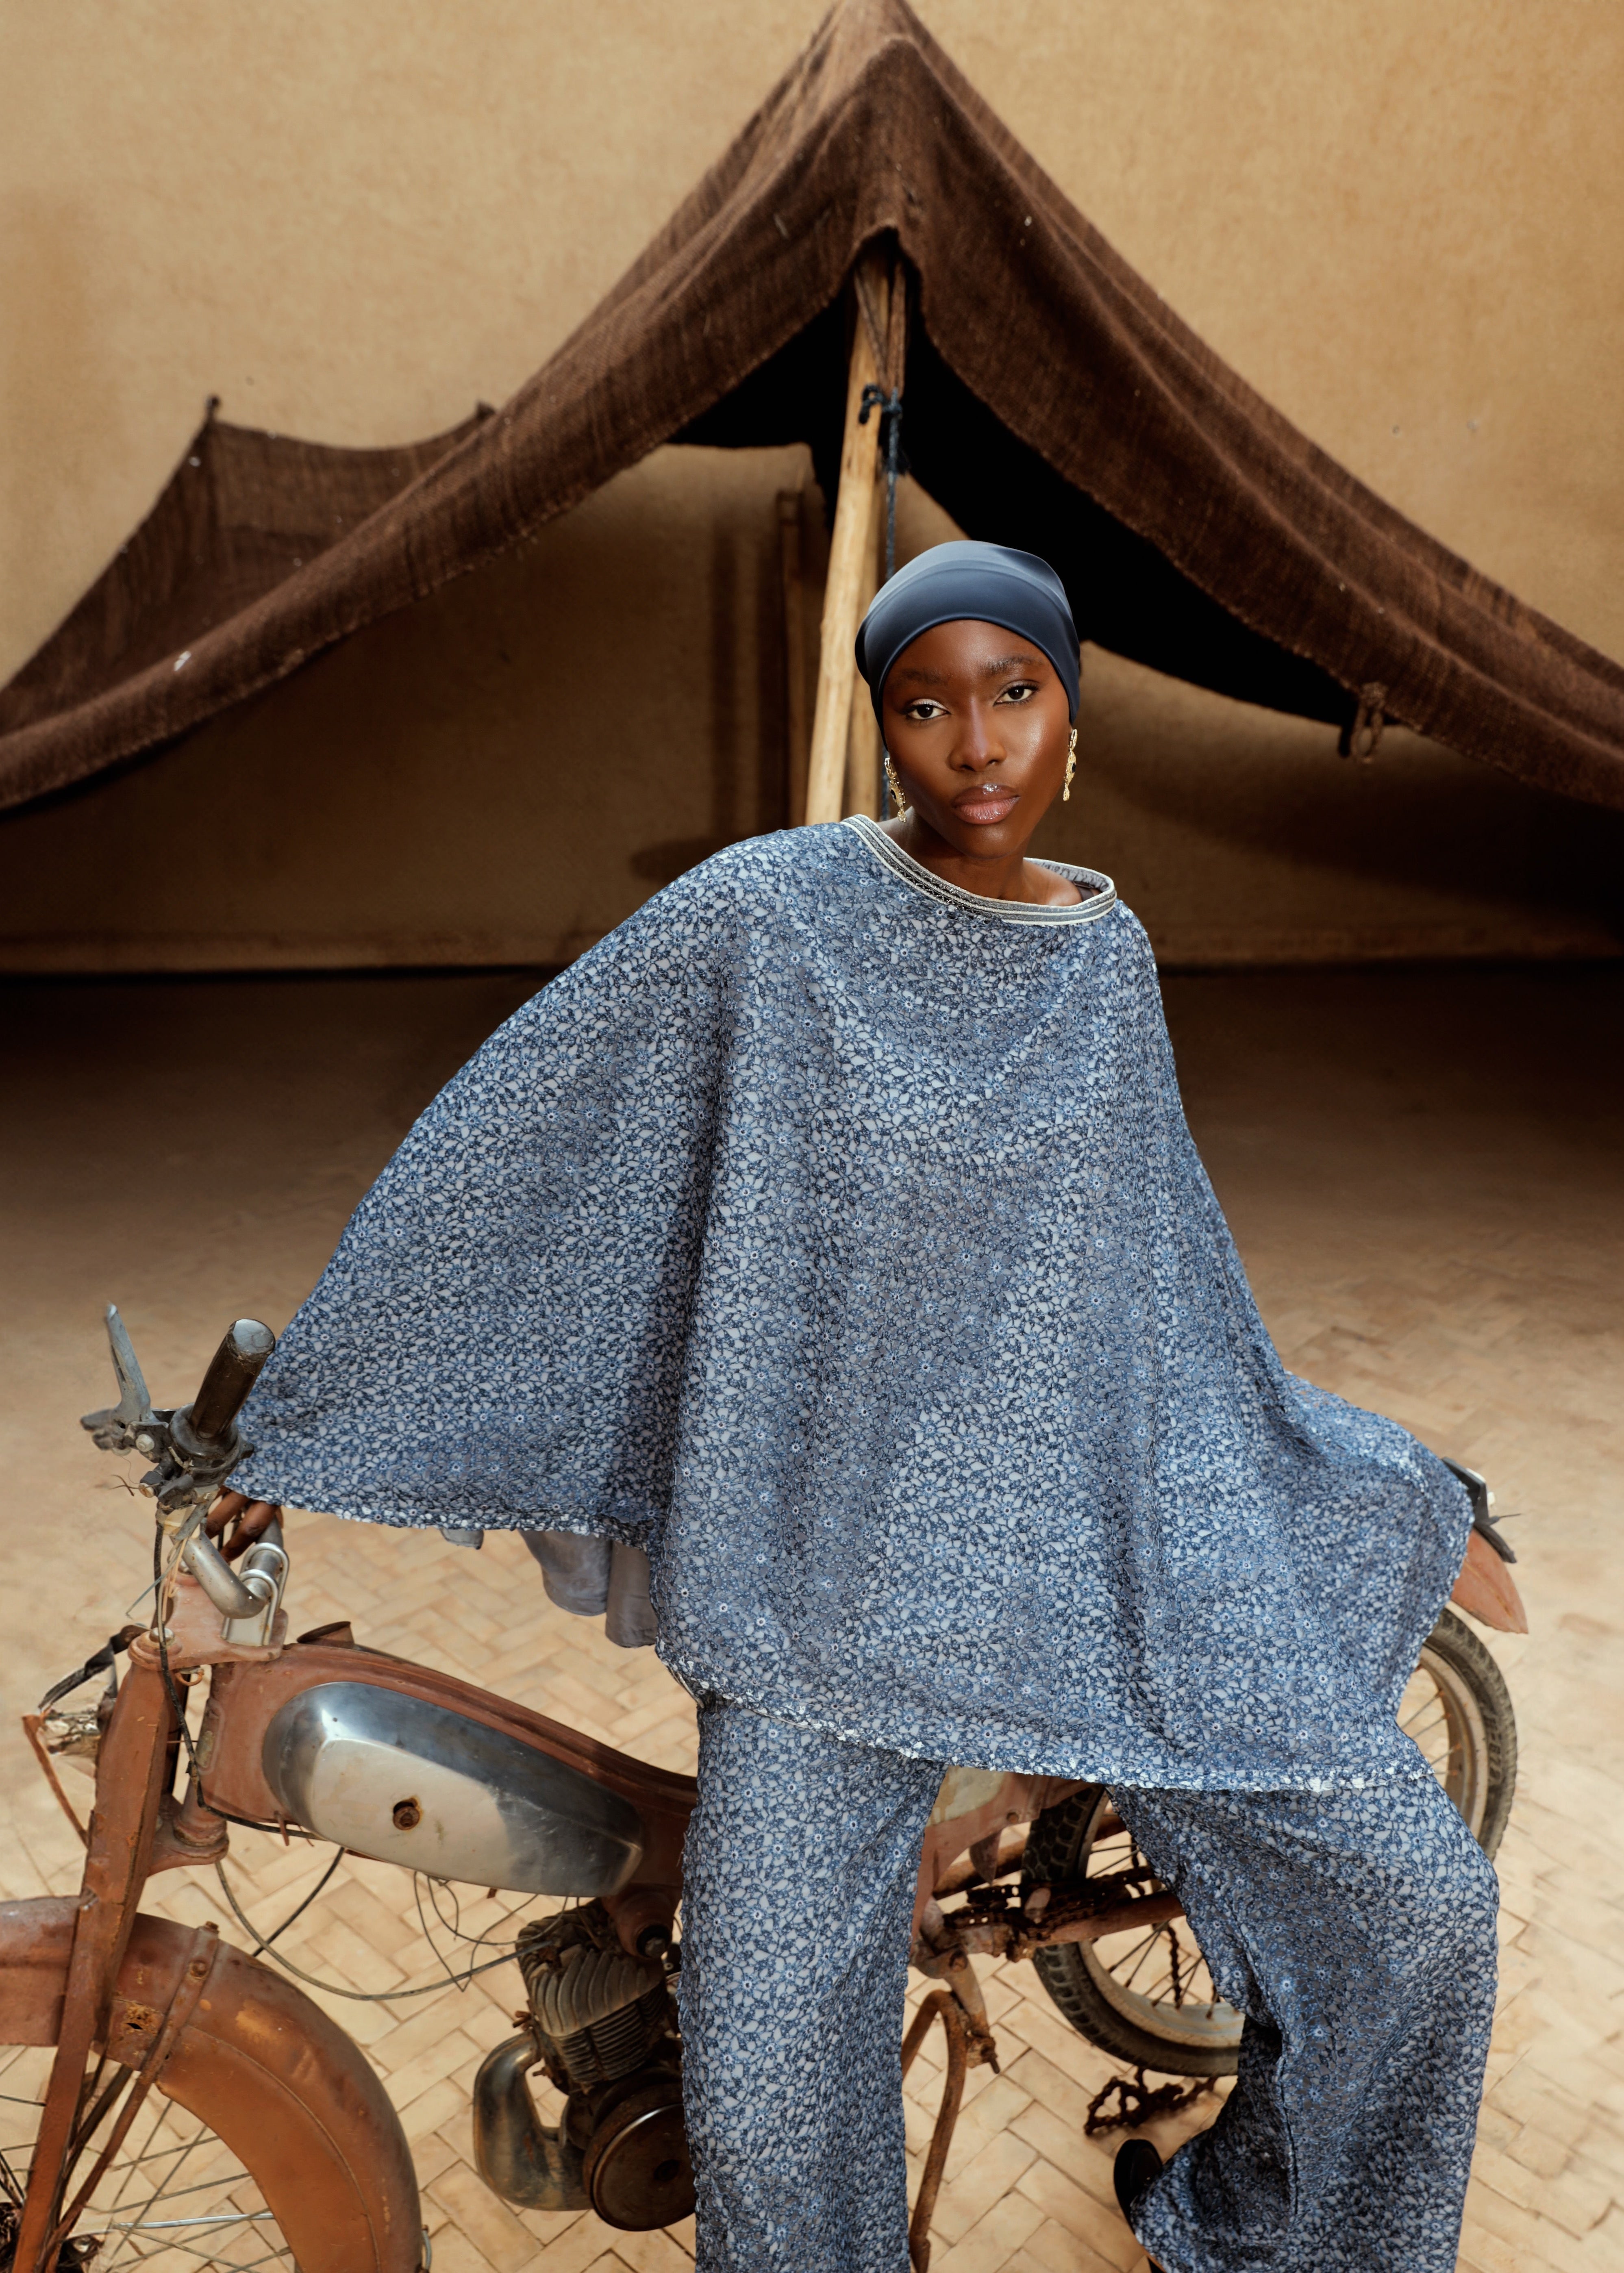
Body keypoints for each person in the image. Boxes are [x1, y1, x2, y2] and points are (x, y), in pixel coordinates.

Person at [214, 541, 1496, 2273]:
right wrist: (295, 1412)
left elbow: (1153, 1291)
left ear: (1072, 723)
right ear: (886, 733)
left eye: (1015, 694)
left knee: (1425, 1909)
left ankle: (1264, 2225)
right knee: (761, 2089)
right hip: (819, 1578)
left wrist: (1266, 1469)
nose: (977, 744)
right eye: (929, 703)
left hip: (1085, 1548)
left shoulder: (1103, 965)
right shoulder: (768, 916)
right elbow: (529, 1136)